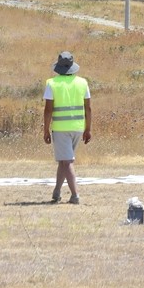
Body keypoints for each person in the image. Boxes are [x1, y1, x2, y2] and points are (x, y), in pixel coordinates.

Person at [43, 51, 91, 204]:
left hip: (61, 128)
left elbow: (48, 109)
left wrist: (45, 129)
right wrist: (88, 129)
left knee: (67, 161)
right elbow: (88, 108)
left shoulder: (52, 83)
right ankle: (57, 191)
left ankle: (75, 195)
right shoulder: (83, 83)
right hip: (78, 127)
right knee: (64, 161)